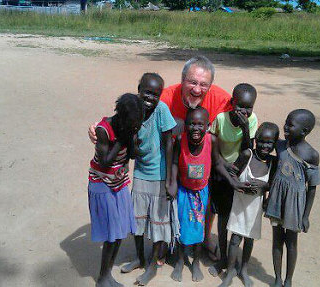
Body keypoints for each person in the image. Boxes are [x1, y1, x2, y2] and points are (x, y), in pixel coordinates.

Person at [88, 55, 233, 259]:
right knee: (170, 202)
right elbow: (128, 110)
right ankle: (166, 240)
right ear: (182, 80)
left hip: (200, 158)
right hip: (169, 160)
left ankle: (205, 237)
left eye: (203, 84)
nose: (197, 89)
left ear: (211, 85)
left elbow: (242, 117)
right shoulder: (163, 97)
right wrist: (98, 128)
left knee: (205, 194)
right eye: (192, 82)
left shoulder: (222, 99)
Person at [119, 73, 176, 286]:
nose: (150, 97)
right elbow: (124, 136)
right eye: (147, 92)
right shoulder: (133, 109)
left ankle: (152, 265)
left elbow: (169, 143)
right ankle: (140, 258)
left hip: (159, 175)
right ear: (138, 89)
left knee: (158, 223)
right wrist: (125, 162)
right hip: (140, 172)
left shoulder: (161, 110)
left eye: (155, 94)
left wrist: (170, 179)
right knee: (138, 219)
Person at [168, 107, 236, 283]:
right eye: (191, 123)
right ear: (185, 126)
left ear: (207, 126)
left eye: (200, 124)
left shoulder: (212, 140)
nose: (195, 128)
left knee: (199, 229)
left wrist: (231, 180)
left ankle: (196, 262)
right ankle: (180, 261)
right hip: (184, 191)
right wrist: (173, 183)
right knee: (182, 227)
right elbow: (175, 162)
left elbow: (218, 163)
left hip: (202, 192)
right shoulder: (181, 139)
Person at [88, 93, 144, 287]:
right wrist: (123, 138)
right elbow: (104, 162)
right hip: (102, 183)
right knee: (112, 234)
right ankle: (102, 278)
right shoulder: (104, 130)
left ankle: (108, 274)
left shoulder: (130, 127)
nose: (135, 128)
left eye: (138, 124)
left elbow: (133, 155)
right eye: (133, 125)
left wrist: (133, 141)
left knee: (120, 232)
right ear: (121, 117)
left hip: (119, 183)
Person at [264, 109, 320, 287]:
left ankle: (288, 280)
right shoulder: (281, 146)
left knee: (291, 243)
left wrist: (305, 216)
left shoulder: (311, 155)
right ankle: (277, 278)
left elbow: (312, 188)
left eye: (290, 125)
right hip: (277, 199)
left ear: (304, 131)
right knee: (276, 240)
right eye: (286, 122)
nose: (286, 127)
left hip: (294, 204)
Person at [219, 122, 279, 287]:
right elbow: (232, 172)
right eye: (261, 141)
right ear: (256, 139)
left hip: (255, 207)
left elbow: (272, 184)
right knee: (235, 239)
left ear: (275, 144)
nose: (265, 146)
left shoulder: (272, 163)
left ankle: (243, 269)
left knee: (249, 239)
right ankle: (230, 271)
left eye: (270, 143)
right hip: (239, 205)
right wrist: (237, 183)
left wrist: (262, 187)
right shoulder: (247, 155)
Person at [208, 83, 259, 277]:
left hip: (239, 170)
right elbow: (213, 147)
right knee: (222, 217)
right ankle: (222, 258)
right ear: (231, 103)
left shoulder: (252, 120)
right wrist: (222, 165)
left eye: (249, 107)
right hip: (221, 169)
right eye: (240, 106)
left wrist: (245, 127)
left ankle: (234, 259)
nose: (245, 111)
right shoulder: (221, 119)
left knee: (237, 217)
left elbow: (248, 148)